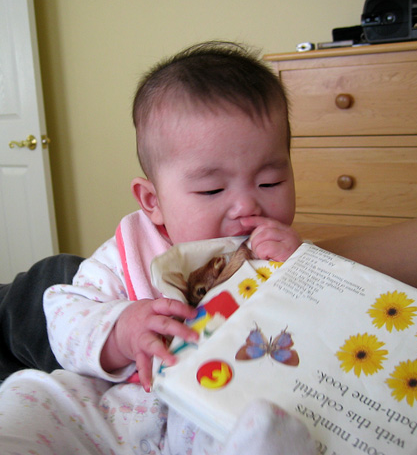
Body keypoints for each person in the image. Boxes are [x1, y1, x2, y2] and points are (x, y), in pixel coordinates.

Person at [0, 41, 315, 455]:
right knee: (26, 395)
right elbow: (62, 313)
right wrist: (121, 329)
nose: (246, 205)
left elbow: (318, 326)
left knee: (261, 421)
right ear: (153, 201)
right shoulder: (126, 254)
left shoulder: (278, 255)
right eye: (212, 188)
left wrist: (303, 269)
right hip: (119, 411)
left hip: (212, 407)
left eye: (270, 182)